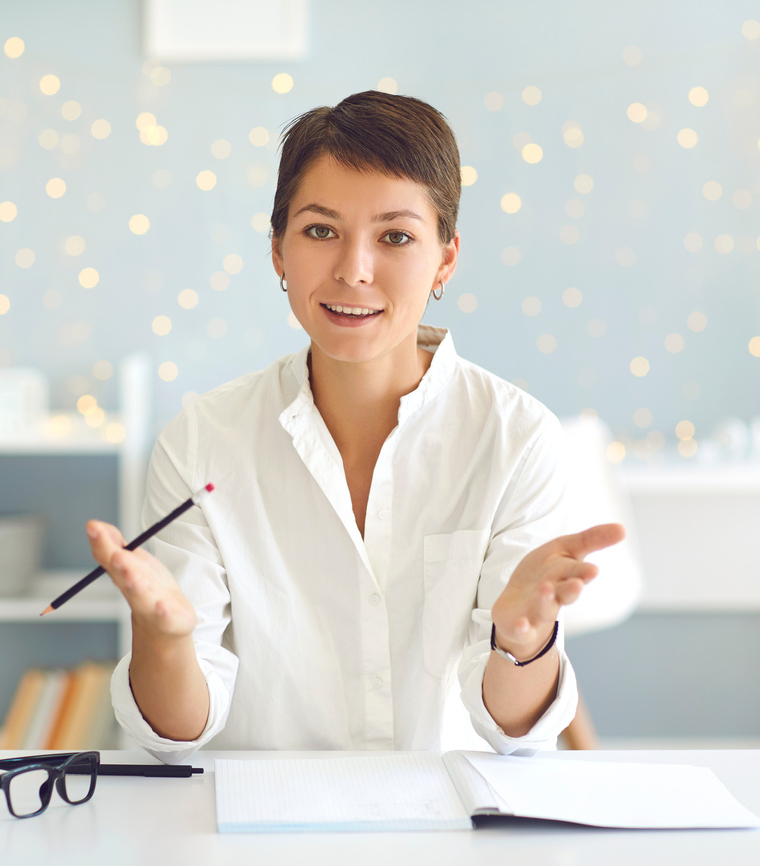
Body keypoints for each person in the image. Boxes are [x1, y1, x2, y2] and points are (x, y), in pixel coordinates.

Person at [86, 90, 625, 763]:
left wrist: (521, 642)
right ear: (278, 250)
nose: (352, 269)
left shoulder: (516, 439)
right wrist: (164, 639)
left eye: (394, 236)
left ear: (445, 260)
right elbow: (176, 731)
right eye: (319, 231)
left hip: (452, 826)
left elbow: (512, 730)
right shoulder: (202, 440)